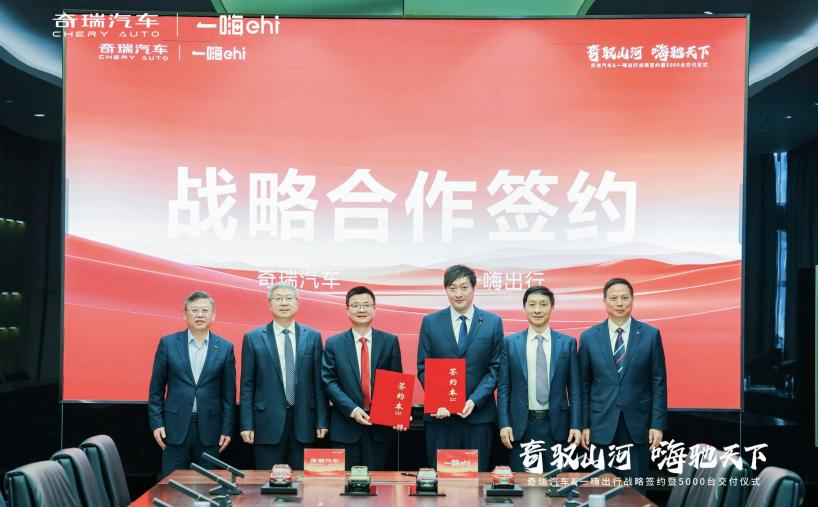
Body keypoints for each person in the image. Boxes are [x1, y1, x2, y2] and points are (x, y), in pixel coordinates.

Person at [579, 278, 667, 488]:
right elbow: (583, 386)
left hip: (637, 425)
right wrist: (583, 424)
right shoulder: (589, 337)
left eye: (624, 298)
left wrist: (657, 424)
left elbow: (658, 383)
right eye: (613, 298)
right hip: (600, 425)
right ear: (604, 302)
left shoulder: (650, 335)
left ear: (632, 300)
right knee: (600, 490)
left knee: (636, 489)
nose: (619, 303)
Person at [416, 264, 503, 471]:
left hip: (478, 418)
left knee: (475, 480)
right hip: (441, 418)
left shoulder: (492, 322)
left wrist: (474, 400)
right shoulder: (431, 322)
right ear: (446, 289)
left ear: (474, 288)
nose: (458, 294)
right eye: (452, 288)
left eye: (464, 287)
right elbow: (423, 367)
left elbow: (495, 368)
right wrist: (439, 400)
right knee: (442, 480)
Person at [239, 282, 328, 470]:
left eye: (289, 298)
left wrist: (321, 420)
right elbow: (247, 385)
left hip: (305, 421)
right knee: (267, 479)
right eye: (278, 299)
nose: (284, 303)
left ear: (298, 303)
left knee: (301, 481)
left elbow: (318, 384)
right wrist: (246, 424)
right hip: (266, 423)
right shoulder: (253, 337)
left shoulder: (313, 336)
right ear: (269, 304)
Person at [148, 291, 236, 478]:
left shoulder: (225, 347)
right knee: (172, 485)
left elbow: (228, 394)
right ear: (185, 314)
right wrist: (157, 423)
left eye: (205, 310)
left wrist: (227, 429)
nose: (200, 315)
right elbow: (156, 389)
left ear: (213, 315)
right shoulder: (168, 343)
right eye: (194, 310)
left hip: (210, 430)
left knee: (208, 485)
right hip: (174, 428)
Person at [322, 286, 408, 470]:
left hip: (380, 428)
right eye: (356, 305)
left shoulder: (389, 341)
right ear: (347, 310)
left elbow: (396, 380)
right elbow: (329, 381)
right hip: (345, 427)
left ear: (374, 309)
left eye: (367, 305)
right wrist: (352, 409)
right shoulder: (334, 343)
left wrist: (398, 414)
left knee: (376, 482)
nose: (362, 309)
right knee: (345, 483)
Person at [498, 286, 581, 472]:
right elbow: (503, 388)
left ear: (552, 307)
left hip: (558, 427)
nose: (537, 310)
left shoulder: (567, 343)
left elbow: (575, 390)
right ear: (524, 307)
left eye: (543, 304)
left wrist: (576, 425)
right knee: (525, 485)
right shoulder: (510, 343)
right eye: (532, 304)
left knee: (559, 484)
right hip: (521, 427)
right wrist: (504, 424)